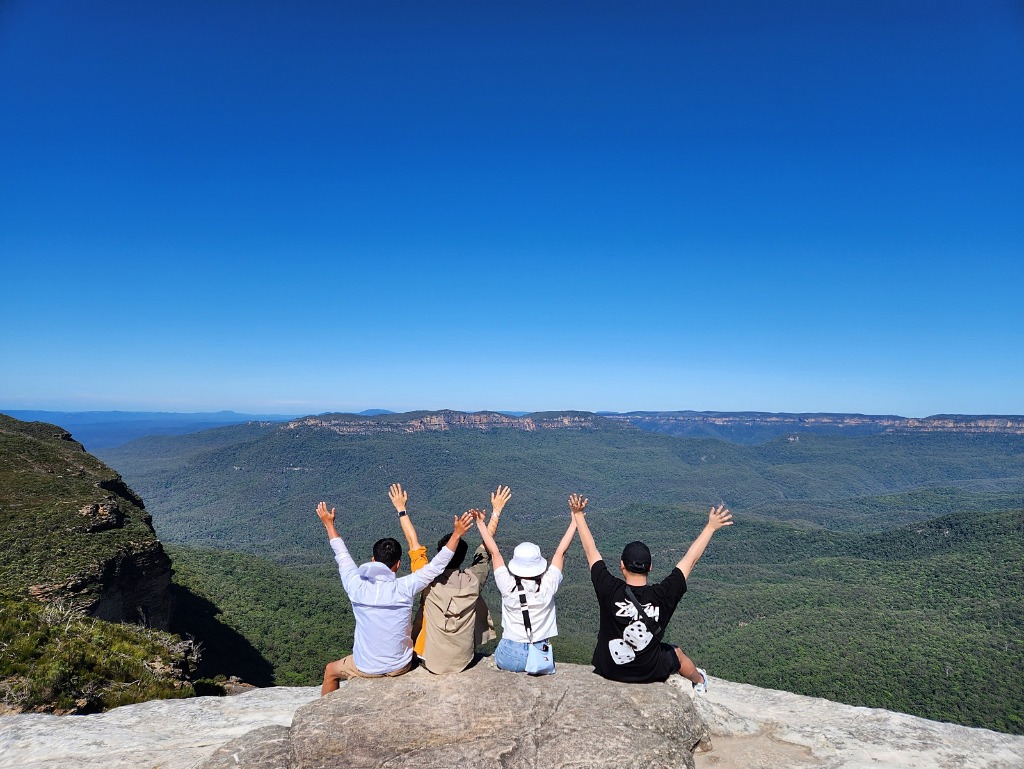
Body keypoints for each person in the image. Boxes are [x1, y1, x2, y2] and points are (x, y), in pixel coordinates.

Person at [568, 493, 733, 692]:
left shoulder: (608, 588)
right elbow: (690, 560)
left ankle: (699, 681)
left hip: (609, 668)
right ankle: (700, 682)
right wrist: (710, 527)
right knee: (676, 653)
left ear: (622, 566)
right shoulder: (663, 595)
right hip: (649, 671)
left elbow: (590, 552)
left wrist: (578, 515)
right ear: (651, 567)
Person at [316, 499, 473, 694]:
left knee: (331, 670)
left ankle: (328, 711)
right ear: (398, 564)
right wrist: (457, 534)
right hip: (401, 666)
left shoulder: (355, 585)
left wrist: (329, 524)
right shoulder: (404, 587)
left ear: (373, 560)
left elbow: (342, 554)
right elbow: (437, 566)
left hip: (366, 667)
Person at [390, 482, 510, 674]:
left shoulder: (426, 578)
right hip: (465, 660)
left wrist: (401, 509)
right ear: (463, 558)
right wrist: (495, 512)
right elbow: (487, 549)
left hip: (430, 662)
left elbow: (413, 543)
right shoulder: (473, 580)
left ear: (440, 554)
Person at [472, 504, 577, 673]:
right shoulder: (548, 585)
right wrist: (575, 521)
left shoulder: (507, 585)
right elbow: (560, 553)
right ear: (539, 565)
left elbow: (495, 552)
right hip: (539, 653)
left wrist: (481, 524)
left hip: (509, 654)